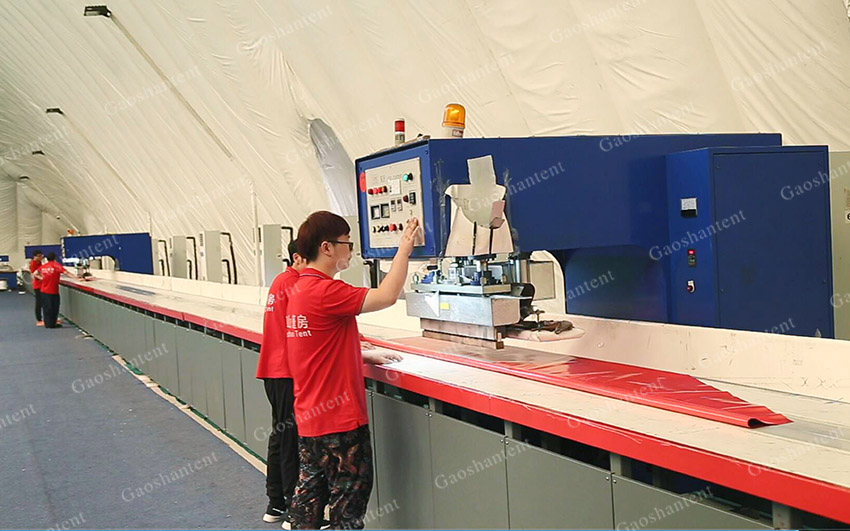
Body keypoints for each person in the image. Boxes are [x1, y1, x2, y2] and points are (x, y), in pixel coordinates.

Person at [285, 211, 417, 530]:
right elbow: (386, 296)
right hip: (340, 422)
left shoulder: (300, 290)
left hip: (310, 418)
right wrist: (404, 249)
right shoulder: (326, 291)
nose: (350, 250)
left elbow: (320, 347)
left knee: (308, 500)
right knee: (348, 506)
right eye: (347, 243)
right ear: (327, 247)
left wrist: (364, 356)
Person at [256, 240, 307, 525]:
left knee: (280, 436)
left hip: (274, 370)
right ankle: (295, 510)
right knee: (290, 441)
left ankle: (275, 504)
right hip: (286, 371)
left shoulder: (280, 281)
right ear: (298, 258)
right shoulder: (294, 283)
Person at [34, 253, 81, 328]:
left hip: (44, 290)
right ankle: (52, 323)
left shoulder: (43, 267)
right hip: (53, 290)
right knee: (54, 307)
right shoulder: (56, 266)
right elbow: (66, 273)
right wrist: (77, 279)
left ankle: (48, 323)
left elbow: (35, 273)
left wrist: (41, 278)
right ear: (54, 258)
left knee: (46, 308)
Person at [28, 250, 44, 326]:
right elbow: (34, 275)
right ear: (35, 256)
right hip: (37, 285)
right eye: (39, 256)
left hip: (42, 285)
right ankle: (39, 319)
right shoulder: (33, 264)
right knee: (39, 302)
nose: (41, 257)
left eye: (41, 256)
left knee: (44, 302)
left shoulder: (39, 263)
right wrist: (42, 278)